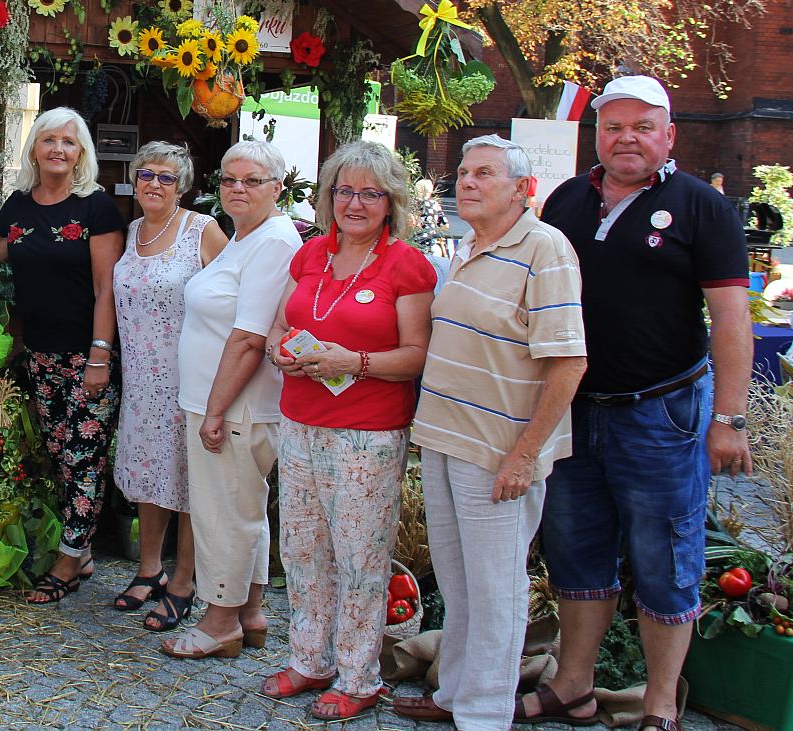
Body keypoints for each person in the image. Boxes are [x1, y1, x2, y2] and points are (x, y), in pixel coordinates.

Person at [523, 75, 752, 731]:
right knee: (575, 551)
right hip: (575, 408)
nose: (627, 138)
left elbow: (732, 319)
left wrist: (729, 419)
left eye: (642, 126)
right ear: (597, 135)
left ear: (669, 135)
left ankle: (659, 702)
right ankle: (573, 685)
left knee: (664, 556)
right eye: (614, 126)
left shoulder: (701, 205)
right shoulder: (568, 199)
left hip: (664, 412)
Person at [392, 135, 587, 731]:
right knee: (458, 580)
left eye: (485, 174)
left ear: (522, 189)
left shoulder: (545, 248)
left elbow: (568, 361)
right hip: (449, 439)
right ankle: (455, 691)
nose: (467, 182)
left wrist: (524, 455)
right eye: (465, 173)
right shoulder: (473, 245)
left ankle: (484, 715)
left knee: (496, 587)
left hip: (499, 451)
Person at [263, 141, 436, 720]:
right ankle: (310, 659)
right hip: (299, 420)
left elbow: (416, 355)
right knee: (302, 547)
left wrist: (353, 363)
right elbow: (281, 325)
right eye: (344, 190)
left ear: (391, 202)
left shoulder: (406, 265)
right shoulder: (312, 254)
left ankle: (359, 675)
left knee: (360, 555)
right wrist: (280, 350)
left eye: (369, 193)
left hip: (367, 431)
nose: (354, 202)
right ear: (328, 196)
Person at [0, 106, 124, 603]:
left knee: (84, 458)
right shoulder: (18, 206)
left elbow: (106, 289)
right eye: (49, 139)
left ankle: (70, 561)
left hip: (87, 357)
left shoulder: (95, 207)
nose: (58, 149)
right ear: (34, 147)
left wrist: (99, 355)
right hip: (39, 356)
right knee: (59, 456)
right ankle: (84, 549)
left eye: (69, 142)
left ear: (81, 154)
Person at [162, 140, 301, 660]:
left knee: (222, 512)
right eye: (228, 180)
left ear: (277, 188)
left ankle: (219, 620)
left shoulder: (273, 242)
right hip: (222, 401)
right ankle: (250, 613)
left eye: (252, 180)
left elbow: (249, 337)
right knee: (244, 509)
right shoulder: (249, 236)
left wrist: (216, 410)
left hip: (235, 405)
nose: (237, 189)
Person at [110, 141, 227, 632]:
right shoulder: (133, 230)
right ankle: (149, 568)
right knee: (148, 473)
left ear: (182, 187)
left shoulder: (202, 230)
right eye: (145, 175)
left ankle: (184, 581)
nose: (153, 184)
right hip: (141, 379)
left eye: (165, 177)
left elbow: (231, 297)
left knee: (189, 479)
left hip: (190, 377)